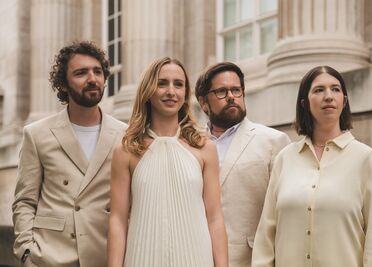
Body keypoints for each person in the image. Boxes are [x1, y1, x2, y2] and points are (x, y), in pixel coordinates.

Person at [252, 65, 372, 267]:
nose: (329, 96)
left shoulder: (366, 160)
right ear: (304, 103)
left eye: (335, 89)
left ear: (344, 101)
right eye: (319, 90)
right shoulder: (285, 159)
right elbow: (266, 232)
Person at [12, 41, 127, 267]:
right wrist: (26, 252)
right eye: (81, 73)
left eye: (97, 71)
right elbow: (24, 201)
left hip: (105, 255)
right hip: (50, 257)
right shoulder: (36, 134)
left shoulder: (125, 135)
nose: (92, 78)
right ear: (63, 84)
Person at [107, 57, 228, 267]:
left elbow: (215, 218)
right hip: (142, 258)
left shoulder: (205, 149)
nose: (171, 91)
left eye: (178, 84)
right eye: (162, 83)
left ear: (185, 93)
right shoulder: (126, 151)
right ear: (148, 90)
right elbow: (118, 220)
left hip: (196, 258)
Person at [195, 62, 290, 267]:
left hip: (252, 260)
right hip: (195, 256)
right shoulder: (189, 144)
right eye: (221, 91)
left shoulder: (274, 141)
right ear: (203, 102)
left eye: (236, 90)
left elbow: (286, 213)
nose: (231, 96)